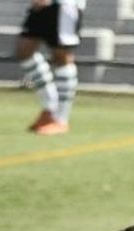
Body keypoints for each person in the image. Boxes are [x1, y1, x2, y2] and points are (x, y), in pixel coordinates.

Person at [17, 0, 87, 135]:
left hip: (65, 5)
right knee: (24, 51)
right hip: (44, 6)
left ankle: (60, 119)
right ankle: (49, 108)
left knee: (62, 56)